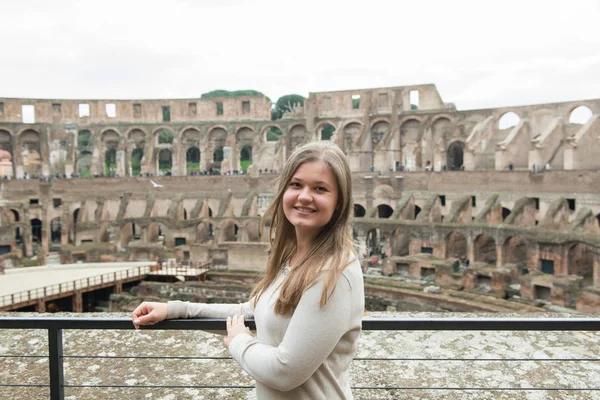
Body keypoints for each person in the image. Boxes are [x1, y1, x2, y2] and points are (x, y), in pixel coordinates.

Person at [132, 141, 364, 399]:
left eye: (320, 189)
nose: (305, 196)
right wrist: (176, 310)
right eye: (296, 185)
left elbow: (285, 373)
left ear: (339, 202)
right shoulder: (294, 258)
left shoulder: (334, 273)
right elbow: (250, 312)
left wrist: (239, 342)